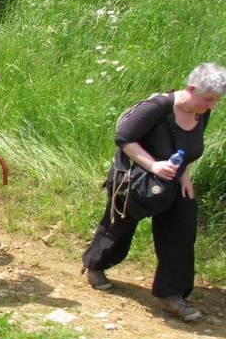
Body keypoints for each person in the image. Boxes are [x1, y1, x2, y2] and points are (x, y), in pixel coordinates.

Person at [82, 63, 226, 321]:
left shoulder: (200, 111)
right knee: (119, 226)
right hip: (135, 178)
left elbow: (189, 148)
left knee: (182, 230)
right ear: (191, 89)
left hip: (174, 179)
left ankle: (171, 294)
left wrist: (185, 176)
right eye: (209, 99)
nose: (212, 106)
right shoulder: (157, 107)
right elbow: (123, 138)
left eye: (216, 101)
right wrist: (154, 165)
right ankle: (96, 264)